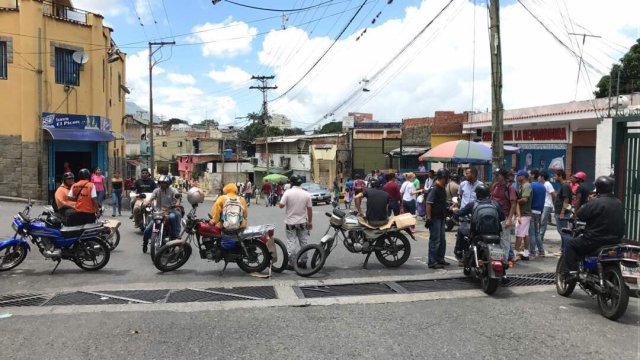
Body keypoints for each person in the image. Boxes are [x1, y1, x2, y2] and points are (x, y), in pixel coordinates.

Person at [564, 176, 624, 276]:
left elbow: (580, 215)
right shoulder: (618, 202)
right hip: (616, 240)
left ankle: (573, 272)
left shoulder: (595, 202)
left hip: (594, 241)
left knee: (570, 244)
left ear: (598, 188)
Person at [453, 183, 505, 265]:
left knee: (460, 229)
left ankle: (459, 252)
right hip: (496, 234)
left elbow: (460, 213)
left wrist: (454, 210)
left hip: (478, 234)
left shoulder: (473, 204)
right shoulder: (495, 204)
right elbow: (502, 217)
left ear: (477, 194)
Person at [278, 174, 313, 270]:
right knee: (304, 242)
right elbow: (309, 210)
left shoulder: (288, 193)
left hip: (290, 223)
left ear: (291, 183)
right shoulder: (306, 194)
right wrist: (310, 222)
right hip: (303, 222)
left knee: (291, 242)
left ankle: (292, 263)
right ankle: (303, 262)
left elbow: (281, 205)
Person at [142, 175, 182, 253]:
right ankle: (145, 242)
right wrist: (147, 203)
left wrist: (177, 203)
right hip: (159, 212)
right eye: (161, 183)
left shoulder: (173, 190)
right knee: (147, 230)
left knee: (173, 217)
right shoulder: (156, 191)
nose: (162, 184)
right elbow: (151, 199)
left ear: (168, 183)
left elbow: (178, 199)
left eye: (164, 183)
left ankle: (175, 236)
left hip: (170, 210)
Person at [490, 168, 517, 266]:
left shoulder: (510, 188)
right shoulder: (495, 186)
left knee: (505, 240)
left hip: (504, 217)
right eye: (495, 175)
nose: (496, 177)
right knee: (496, 240)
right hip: (494, 217)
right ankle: (497, 259)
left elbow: (513, 204)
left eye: (498, 175)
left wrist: (509, 219)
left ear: (504, 176)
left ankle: (504, 261)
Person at [425, 168, 450, 269]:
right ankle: (432, 261)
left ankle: (440, 258)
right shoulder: (434, 188)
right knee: (435, 240)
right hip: (435, 218)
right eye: (448, 178)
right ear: (444, 178)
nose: (448, 180)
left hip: (441, 216)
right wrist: (429, 218)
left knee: (442, 239)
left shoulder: (442, 187)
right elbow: (428, 203)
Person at [515, 169, 532, 260]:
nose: (517, 177)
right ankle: (526, 253)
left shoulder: (526, 186)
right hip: (525, 213)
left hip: (524, 213)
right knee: (525, 234)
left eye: (518, 175)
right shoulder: (523, 186)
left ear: (523, 177)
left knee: (519, 234)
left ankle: (514, 253)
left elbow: (525, 199)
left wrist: (515, 202)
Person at [554, 170, 573, 252]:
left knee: (564, 232)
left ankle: (568, 250)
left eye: (555, 176)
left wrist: (562, 212)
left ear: (560, 176)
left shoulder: (565, 186)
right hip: (561, 212)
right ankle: (563, 249)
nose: (554, 178)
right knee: (562, 231)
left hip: (563, 214)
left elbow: (566, 200)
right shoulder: (563, 186)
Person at [528, 169, 546, 258]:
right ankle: (541, 251)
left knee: (531, 233)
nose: (528, 175)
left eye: (529, 174)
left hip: (531, 211)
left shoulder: (530, 186)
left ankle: (532, 251)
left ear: (533, 175)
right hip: (539, 211)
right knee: (537, 232)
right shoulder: (543, 186)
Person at [538, 171, 556, 244]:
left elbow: (553, 194)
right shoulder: (542, 184)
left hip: (547, 205)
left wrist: (552, 204)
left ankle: (540, 238)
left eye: (539, 176)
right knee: (541, 222)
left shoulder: (548, 184)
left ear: (542, 177)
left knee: (542, 222)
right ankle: (539, 238)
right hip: (543, 205)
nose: (538, 178)